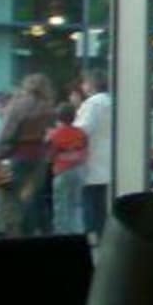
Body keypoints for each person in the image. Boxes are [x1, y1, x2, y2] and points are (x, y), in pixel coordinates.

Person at [0, 73, 58, 236]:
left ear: (26, 86)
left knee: (7, 200)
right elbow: (50, 135)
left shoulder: (17, 106)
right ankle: (30, 234)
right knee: (30, 199)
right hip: (38, 162)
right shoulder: (49, 109)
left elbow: (3, 136)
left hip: (12, 159)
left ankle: (10, 234)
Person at [72, 70, 112, 240]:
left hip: (93, 159)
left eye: (85, 82)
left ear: (91, 85)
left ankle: (92, 236)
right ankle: (102, 235)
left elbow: (81, 131)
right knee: (101, 203)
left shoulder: (92, 104)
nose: (82, 86)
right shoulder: (111, 101)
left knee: (90, 201)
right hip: (107, 159)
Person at [45, 101, 87, 240]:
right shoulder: (81, 133)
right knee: (77, 205)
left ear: (58, 117)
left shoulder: (55, 135)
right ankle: (78, 234)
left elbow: (50, 157)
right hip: (79, 171)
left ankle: (62, 237)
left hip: (62, 172)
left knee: (61, 207)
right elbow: (84, 152)